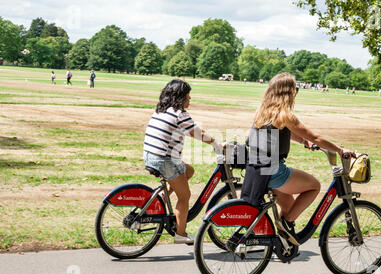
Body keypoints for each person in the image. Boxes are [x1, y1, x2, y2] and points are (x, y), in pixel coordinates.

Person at [241, 73, 355, 246]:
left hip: (257, 169)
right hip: (274, 171)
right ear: (288, 92)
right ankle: (286, 226)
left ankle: (281, 242)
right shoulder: (285, 114)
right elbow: (315, 136)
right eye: (296, 89)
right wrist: (340, 150)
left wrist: (303, 141)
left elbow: (286, 132)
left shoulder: (263, 112)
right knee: (314, 186)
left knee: (288, 206)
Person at [143, 79, 221, 244]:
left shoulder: (161, 110)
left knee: (189, 171)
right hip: (164, 160)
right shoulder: (179, 113)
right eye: (188, 96)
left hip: (151, 155)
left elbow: (194, 130)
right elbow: (196, 133)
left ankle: (162, 198)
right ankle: (180, 233)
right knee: (185, 196)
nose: (190, 99)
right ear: (180, 97)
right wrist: (216, 143)